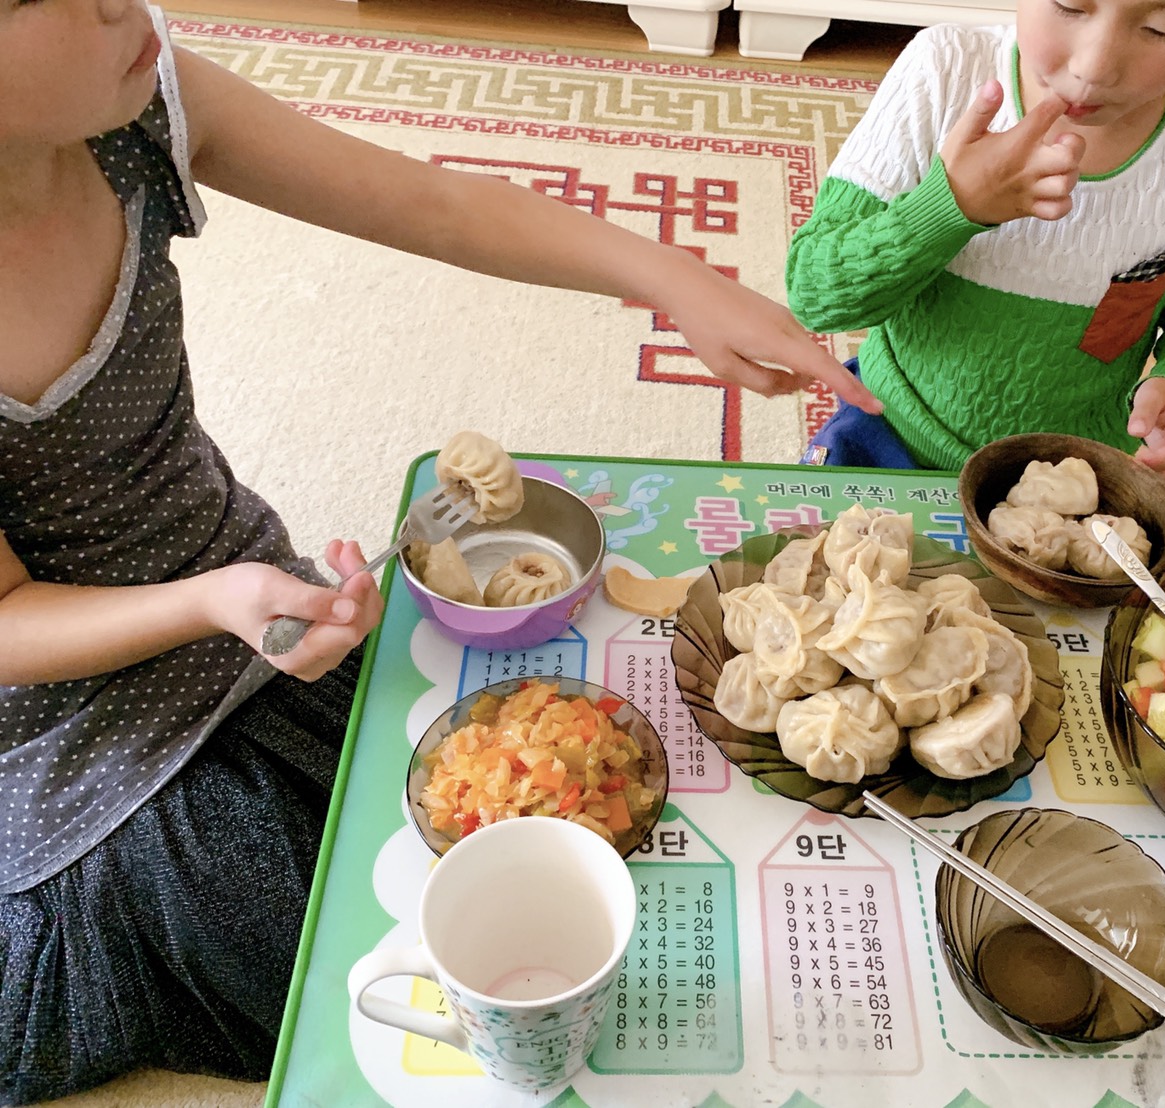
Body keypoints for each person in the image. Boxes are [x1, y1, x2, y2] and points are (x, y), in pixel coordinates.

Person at [0, 2, 874, 1102]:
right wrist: (211, 601)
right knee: (391, 969)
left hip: (233, 579)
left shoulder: (136, 93)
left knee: (538, 820)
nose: (125, 3)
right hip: (74, 727)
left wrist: (674, 280)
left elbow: (429, 199)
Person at [787, 0, 1165, 483]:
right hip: (889, 432)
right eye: (1068, 6)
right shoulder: (945, 69)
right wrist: (949, 207)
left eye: (1162, 29)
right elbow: (816, 295)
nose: (1094, 68)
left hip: (1073, 470)